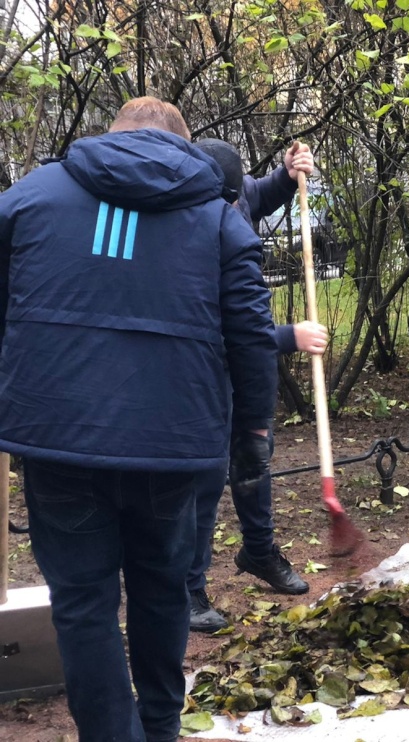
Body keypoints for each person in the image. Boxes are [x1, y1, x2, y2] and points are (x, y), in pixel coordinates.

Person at [0, 97, 277, 741]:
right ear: (184, 144)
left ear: (112, 135)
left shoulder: (29, 197)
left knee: (82, 605)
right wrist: (253, 431)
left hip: (58, 440)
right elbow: (252, 336)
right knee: (163, 589)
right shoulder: (218, 218)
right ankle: (160, 727)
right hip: (172, 447)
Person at [186, 138, 329, 633]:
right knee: (204, 481)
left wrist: (288, 175)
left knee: (254, 461)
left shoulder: (234, 192)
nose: (232, 209)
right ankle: (188, 586)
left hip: (251, 373)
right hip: (205, 375)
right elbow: (219, 326)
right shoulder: (187, 228)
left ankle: (258, 551)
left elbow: (259, 193)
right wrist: (289, 336)